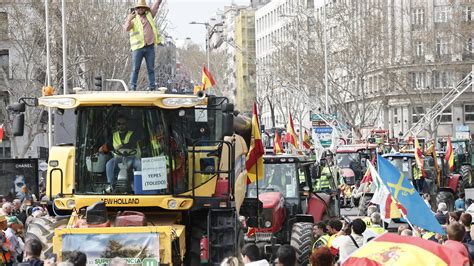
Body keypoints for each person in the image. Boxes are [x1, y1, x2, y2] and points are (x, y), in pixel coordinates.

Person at [124, 0, 163, 91]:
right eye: (139, 8)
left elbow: (156, 5)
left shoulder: (150, 15)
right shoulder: (133, 19)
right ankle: (132, 86)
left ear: (145, 9)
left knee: (151, 68)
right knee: (135, 68)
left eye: (142, 8)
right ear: (137, 9)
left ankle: (152, 87)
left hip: (149, 46)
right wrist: (129, 19)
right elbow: (126, 28)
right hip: (138, 48)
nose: (141, 9)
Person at [101, 116, 141, 192]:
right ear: (117, 125)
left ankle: (138, 185)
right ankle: (111, 186)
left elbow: (132, 143)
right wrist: (102, 149)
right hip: (118, 158)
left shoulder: (132, 134)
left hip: (131, 158)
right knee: (109, 164)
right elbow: (108, 146)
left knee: (139, 164)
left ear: (127, 124)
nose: (121, 126)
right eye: (119, 124)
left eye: (123, 123)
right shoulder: (113, 136)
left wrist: (121, 146)